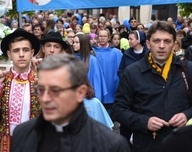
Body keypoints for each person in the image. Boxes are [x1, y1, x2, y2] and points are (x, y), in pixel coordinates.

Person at [11, 54, 130, 152]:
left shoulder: (111, 145)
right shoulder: (23, 133)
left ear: (80, 92)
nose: (45, 98)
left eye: (55, 90)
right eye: (41, 90)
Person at [112, 21, 192, 152]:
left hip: (182, 144)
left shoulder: (187, 69)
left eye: (167, 41)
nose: (161, 46)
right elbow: (119, 110)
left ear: (174, 45)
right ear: (148, 44)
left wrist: (186, 115)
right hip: (146, 145)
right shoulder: (132, 72)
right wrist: (144, 122)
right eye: (156, 41)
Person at [0, 28, 41, 152]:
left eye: (25, 50)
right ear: (9, 55)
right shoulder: (0, 80)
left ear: (32, 53)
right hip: (4, 144)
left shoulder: (41, 81)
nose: (21, 54)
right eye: (16, 50)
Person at [73, 33, 107, 102]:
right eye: (73, 42)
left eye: (77, 42)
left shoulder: (92, 60)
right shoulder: (71, 59)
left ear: (83, 44)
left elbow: (97, 82)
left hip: (88, 99)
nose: (74, 44)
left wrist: (96, 100)